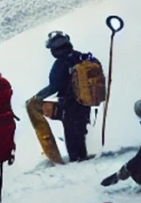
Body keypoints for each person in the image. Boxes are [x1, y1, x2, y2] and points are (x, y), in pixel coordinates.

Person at [29, 31, 93, 162]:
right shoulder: (82, 57)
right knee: (80, 131)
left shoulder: (60, 64)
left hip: (69, 104)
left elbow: (54, 86)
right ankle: (83, 156)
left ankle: (77, 161)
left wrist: (37, 97)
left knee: (71, 134)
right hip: (86, 102)